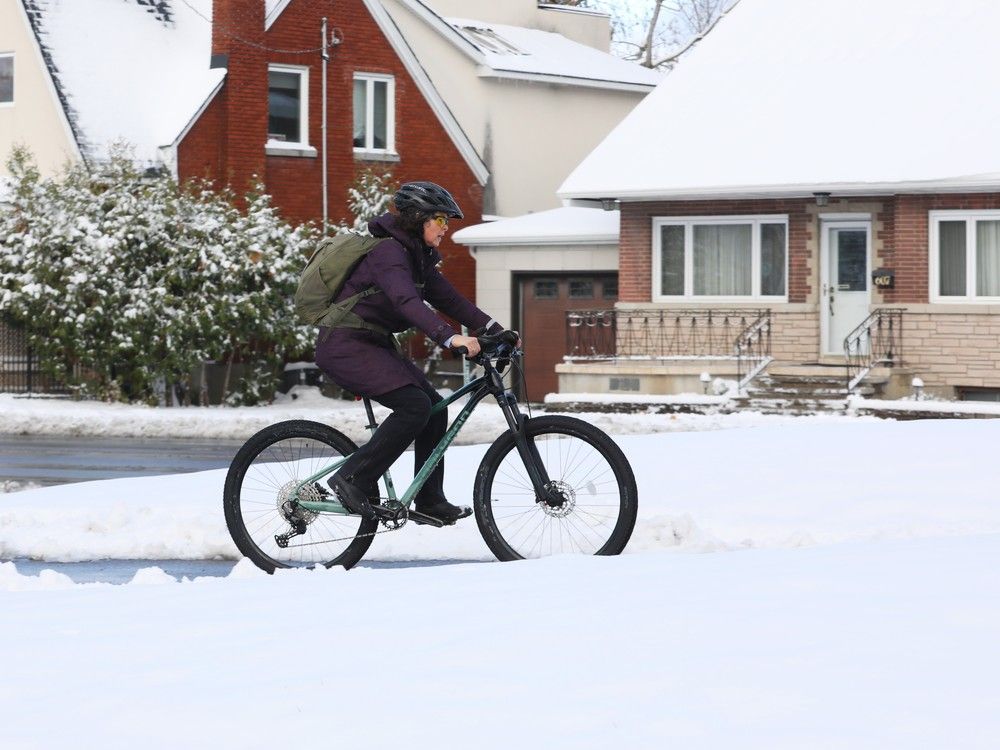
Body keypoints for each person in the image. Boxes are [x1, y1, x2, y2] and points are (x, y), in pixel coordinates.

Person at [315, 181, 502, 524]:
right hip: (345, 344)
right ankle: (352, 478)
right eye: (442, 220)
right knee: (414, 406)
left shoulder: (416, 257)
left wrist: (494, 329)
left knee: (433, 409)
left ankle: (429, 499)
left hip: (373, 343)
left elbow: (450, 300)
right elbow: (406, 301)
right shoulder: (388, 252)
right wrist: (449, 338)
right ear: (419, 218)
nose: (446, 228)